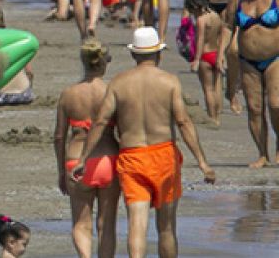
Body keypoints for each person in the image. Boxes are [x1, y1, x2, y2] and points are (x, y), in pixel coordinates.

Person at [73, 27, 215, 258]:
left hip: (133, 157)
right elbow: (183, 122)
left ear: (133, 55)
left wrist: (83, 159)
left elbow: (100, 122)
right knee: (167, 227)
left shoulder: (119, 83)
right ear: (158, 54)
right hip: (164, 157)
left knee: (136, 227)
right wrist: (202, 162)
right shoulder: (169, 81)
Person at [54, 38, 119, 258]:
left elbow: (59, 136)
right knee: (106, 224)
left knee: (81, 223)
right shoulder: (111, 91)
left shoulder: (69, 94)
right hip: (108, 160)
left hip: (76, 160)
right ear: (104, 63)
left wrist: (61, 171)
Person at [224, 0, 279, 168]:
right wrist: (223, 52)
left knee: (275, 104)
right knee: (255, 109)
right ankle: (262, 154)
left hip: (275, 58)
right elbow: (229, 25)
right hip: (248, 61)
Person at [183, 0, 225, 130]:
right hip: (216, 53)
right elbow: (220, 37)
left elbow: (200, 39)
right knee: (217, 86)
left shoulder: (201, 19)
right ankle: (218, 116)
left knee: (208, 89)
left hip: (205, 56)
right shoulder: (216, 16)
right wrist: (221, 55)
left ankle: (212, 117)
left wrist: (196, 59)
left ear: (195, 6)